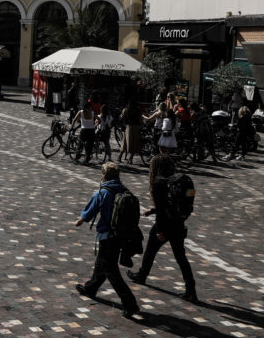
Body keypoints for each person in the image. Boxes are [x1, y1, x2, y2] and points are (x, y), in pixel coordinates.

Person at [74, 162, 140, 318]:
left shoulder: (102, 192)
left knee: (111, 270)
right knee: (103, 262)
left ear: (103, 175)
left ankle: (130, 303)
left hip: (106, 236)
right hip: (121, 236)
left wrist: (79, 221)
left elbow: (88, 214)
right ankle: (91, 288)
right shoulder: (124, 190)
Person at [129, 155, 197, 302]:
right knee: (181, 257)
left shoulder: (158, 182)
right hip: (178, 224)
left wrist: (160, 229)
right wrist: (153, 210)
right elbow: (171, 204)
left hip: (165, 224)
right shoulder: (177, 180)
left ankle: (141, 276)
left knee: (150, 250)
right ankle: (191, 289)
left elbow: (162, 208)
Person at [118, 100, 143, 165]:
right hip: (136, 128)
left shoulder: (125, 110)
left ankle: (120, 157)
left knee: (125, 143)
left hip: (128, 127)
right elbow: (140, 120)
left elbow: (121, 117)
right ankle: (130, 159)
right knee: (134, 144)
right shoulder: (138, 111)